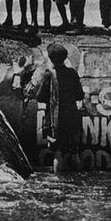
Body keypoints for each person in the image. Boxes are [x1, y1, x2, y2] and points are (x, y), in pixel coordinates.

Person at [35, 44, 84, 173]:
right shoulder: (72, 73)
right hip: (72, 119)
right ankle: (78, 178)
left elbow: (40, 97)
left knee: (58, 153)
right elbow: (80, 94)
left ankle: (59, 182)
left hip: (55, 122)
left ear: (51, 59)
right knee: (74, 152)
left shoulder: (49, 75)